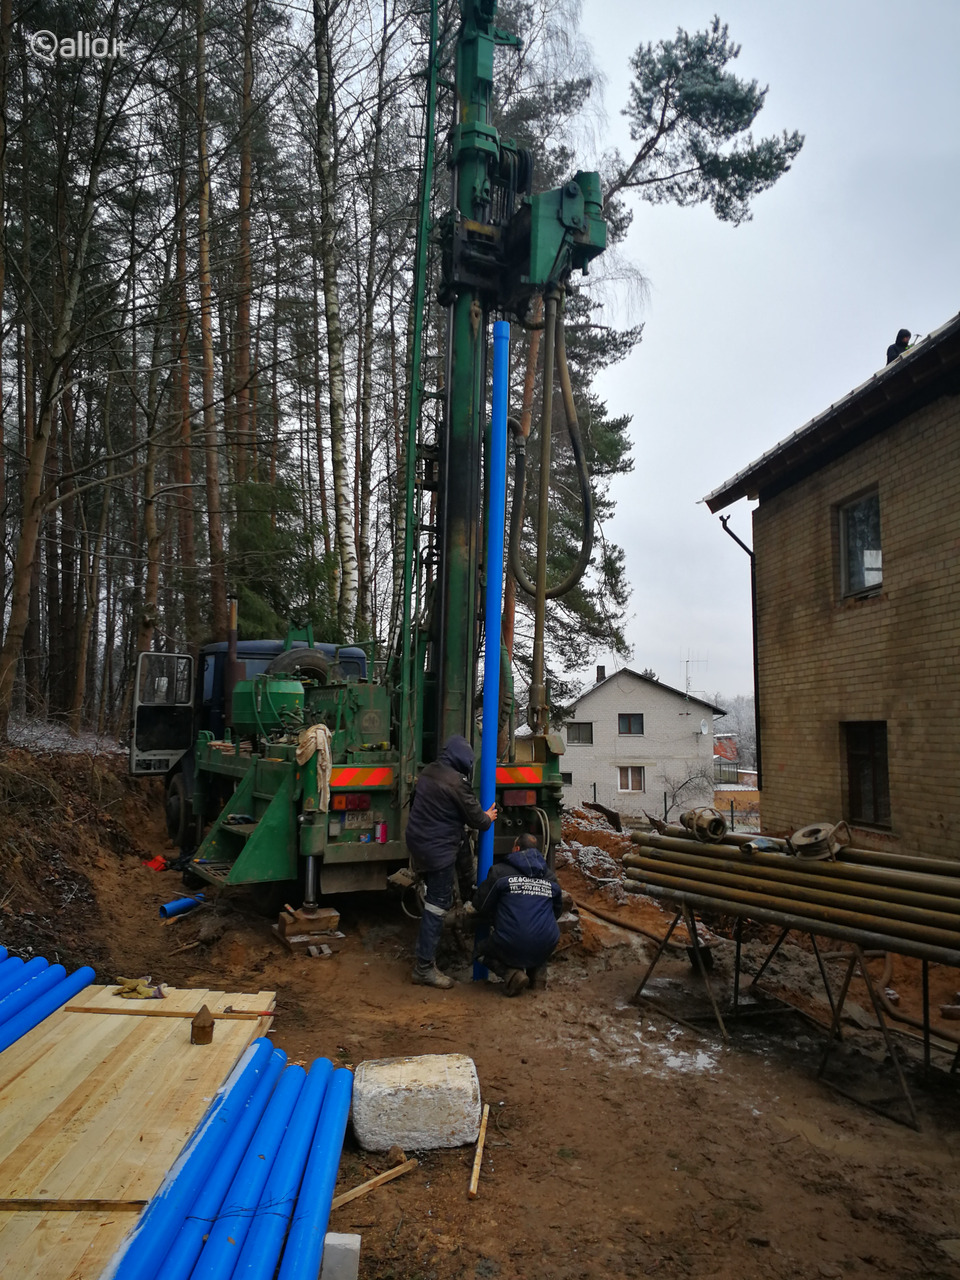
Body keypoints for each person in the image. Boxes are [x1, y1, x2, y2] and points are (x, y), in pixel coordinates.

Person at [404, 734, 496, 989]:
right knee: (437, 903)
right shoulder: (457, 783)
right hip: (437, 850)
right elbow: (478, 820)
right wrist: (488, 816)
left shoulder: (430, 771)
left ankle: (469, 899)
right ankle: (424, 968)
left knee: (461, 849)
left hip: (419, 842)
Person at [471, 833, 562, 996]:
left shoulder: (500, 872)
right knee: (538, 936)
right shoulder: (550, 877)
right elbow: (556, 912)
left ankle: (512, 975)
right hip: (548, 941)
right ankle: (538, 976)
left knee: (480, 951)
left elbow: (481, 905)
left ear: (517, 849)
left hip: (512, 940)